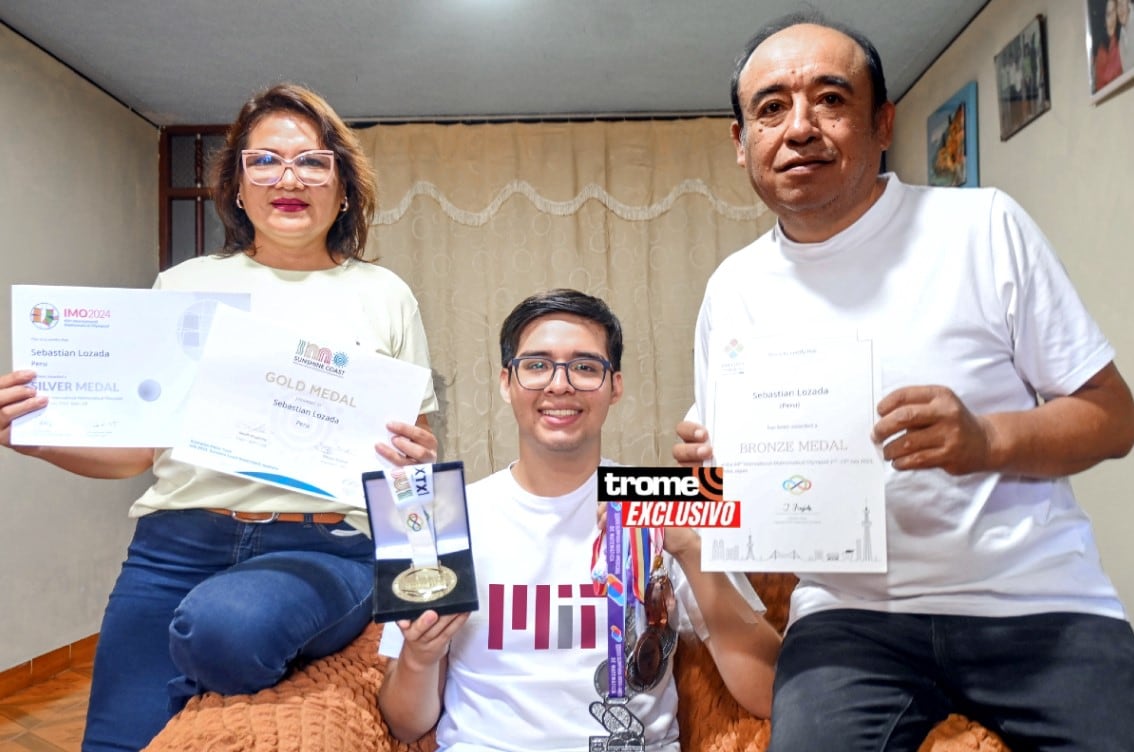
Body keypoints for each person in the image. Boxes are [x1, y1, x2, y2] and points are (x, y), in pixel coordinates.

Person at [673, 12, 1134, 751]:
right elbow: (733, 493)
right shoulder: (734, 289)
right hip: (849, 621)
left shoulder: (982, 227)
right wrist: (712, 475)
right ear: (740, 143)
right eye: (770, 108)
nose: (799, 128)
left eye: (830, 99)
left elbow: (1113, 417)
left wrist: (987, 439)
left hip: (1037, 600)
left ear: (882, 122)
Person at [0, 83, 439, 751]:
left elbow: (412, 456)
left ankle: (209, 670)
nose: (287, 178)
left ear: (343, 187)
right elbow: (142, 453)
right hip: (175, 547)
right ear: (237, 186)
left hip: (322, 549)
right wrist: (38, 440)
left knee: (226, 629)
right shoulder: (183, 285)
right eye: (263, 161)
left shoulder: (385, 295)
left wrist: (419, 468)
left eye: (312, 161)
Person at [378, 289, 781, 751]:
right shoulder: (451, 518)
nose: (559, 385)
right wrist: (420, 656)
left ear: (616, 386)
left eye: (586, 367)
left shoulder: (660, 499)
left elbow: (767, 691)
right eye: (537, 365)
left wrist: (689, 548)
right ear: (507, 383)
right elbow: (406, 723)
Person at [1093, 0, 1124, 90]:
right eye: (1108, 15)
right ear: (1103, 20)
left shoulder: (1122, 37)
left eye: (1114, 11)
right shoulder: (1101, 51)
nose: (1112, 19)